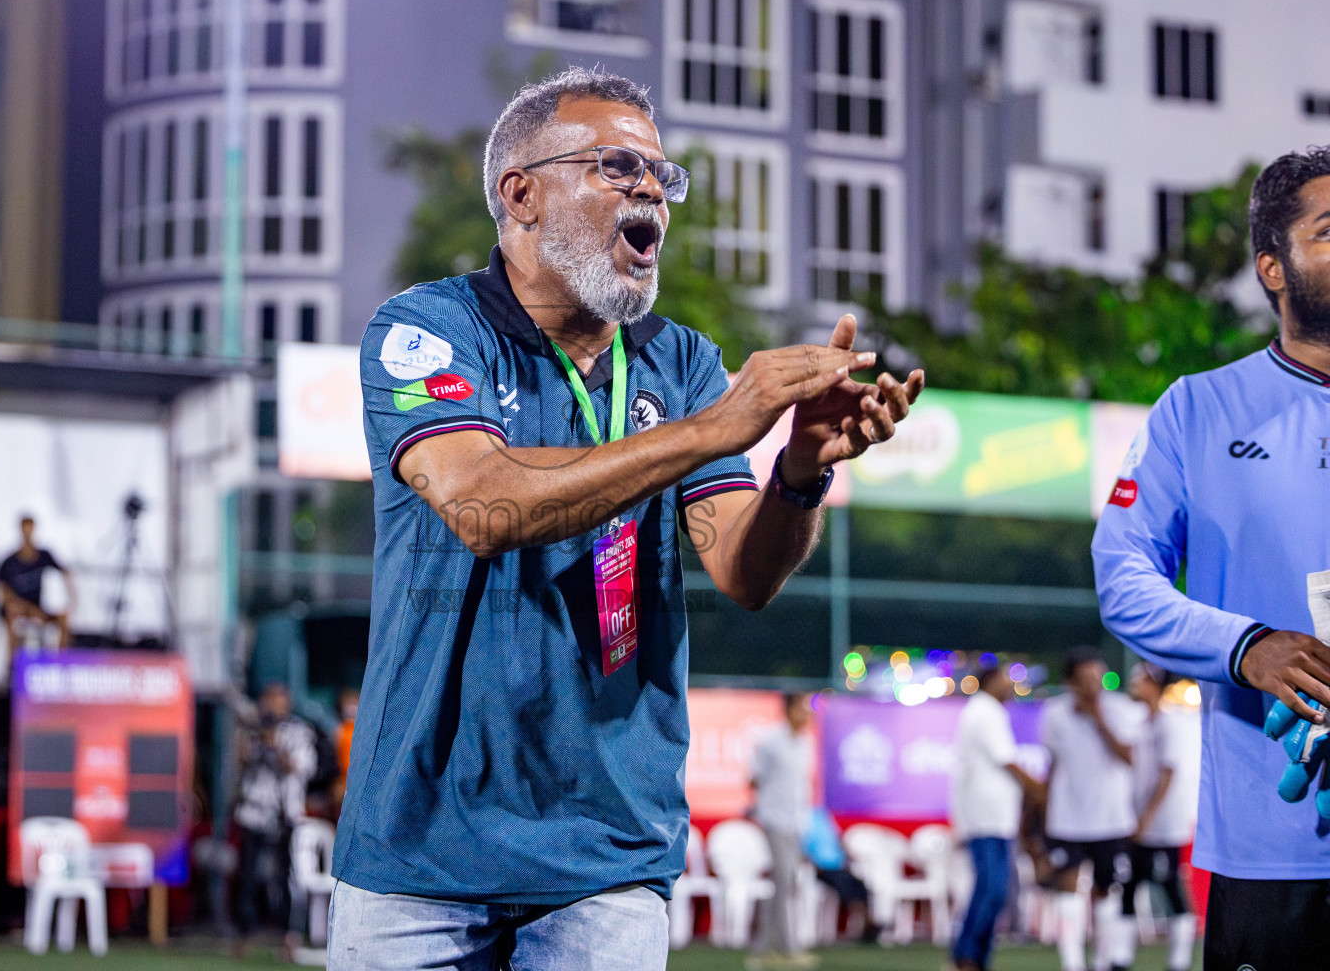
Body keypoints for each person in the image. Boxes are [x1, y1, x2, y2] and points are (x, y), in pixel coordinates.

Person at [331, 67, 924, 968]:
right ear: (521, 195)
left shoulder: (679, 361)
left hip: (607, 857)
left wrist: (799, 472)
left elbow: (744, 574)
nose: (650, 186)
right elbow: (482, 505)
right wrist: (720, 426)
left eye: (660, 173)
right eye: (615, 166)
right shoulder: (430, 327)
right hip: (419, 852)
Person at [1091, 146, 1330, 969]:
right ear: (1274, 267)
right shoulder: (1197, 408)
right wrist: (1247, 647)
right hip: (1272, 856)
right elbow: (1123, 579)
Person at [1040, 648, 1139, 971]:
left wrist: (1098, 718)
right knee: (1067, 891)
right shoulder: (1054, 713)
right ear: (1070, 681)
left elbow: (1128, 757)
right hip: (1067, 818)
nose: (1092, 686)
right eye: (1084, 679)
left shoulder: (1120, 709)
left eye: (1097, 678)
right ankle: (1072, 964)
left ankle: (1101, 961)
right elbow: (1051, 765)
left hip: (1111, 818)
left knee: (1106, 891)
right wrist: (1037, 815)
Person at [950, 663, 1041, 971]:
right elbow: (1007, 761)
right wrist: (1038, 789)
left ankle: (976, 957)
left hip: (997, 818)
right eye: (1007, 679)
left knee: (995, 890)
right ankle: (965, 956)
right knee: (991, 889)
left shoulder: (990, 712)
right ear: (990, 682)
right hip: (984, 817)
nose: (1012, 686)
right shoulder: (984, 711)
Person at [1106, 662, 1196, 971]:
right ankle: (1121, 957)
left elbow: (1168, 774)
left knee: (1169, 886)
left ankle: (1179, 960)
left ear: (1155, 684)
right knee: (1131, 885)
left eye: (1140, 678)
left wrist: (1148, 817)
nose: (1134, 683)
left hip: (1163, 826)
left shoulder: (1169, 724)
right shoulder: (1143, 724)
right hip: (1142, 823)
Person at [233, 682, 316, 952]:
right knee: (247, 876)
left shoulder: (299, 731)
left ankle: (289, 936)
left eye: (278, 700)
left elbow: (303, 768)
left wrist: (276, 747)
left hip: (285, 813)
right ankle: (243, 934)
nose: (272, 706)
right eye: (268, 700)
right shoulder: (253, 728)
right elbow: (242, 761)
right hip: (254, 811)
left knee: (285, 876)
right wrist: (255, 739)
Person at [748, 692, 818, 968]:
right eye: (802, 708)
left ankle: (764, 946)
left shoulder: (804, 743)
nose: (807, 715)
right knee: (785, 879)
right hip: (774, 819)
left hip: (795, 820)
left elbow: (802, 785)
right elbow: (754, 779)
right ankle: (788, 947)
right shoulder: (770, 741)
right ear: (789, 709)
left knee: (784, 882)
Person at [800, 804, 879, 943]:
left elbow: (837, 838)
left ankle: (868, 921)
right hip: (820, 869)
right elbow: (800, 846)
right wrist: (813, 863)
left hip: (837, 865)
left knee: (860, 884)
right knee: (843, 883)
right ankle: (868, 920)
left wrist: (848, 857)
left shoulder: (821, 815)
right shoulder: (798, 818)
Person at [0, 515, 75, 655]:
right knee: (12, 615)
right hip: (20, 610)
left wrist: (72, 600)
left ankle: (59, 662)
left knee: (63, 619)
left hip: (40, 608)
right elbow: (2, 592)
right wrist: (26, 608)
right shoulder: (10, 562)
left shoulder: (44, 555)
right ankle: (14, 666)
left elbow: (64, 572)